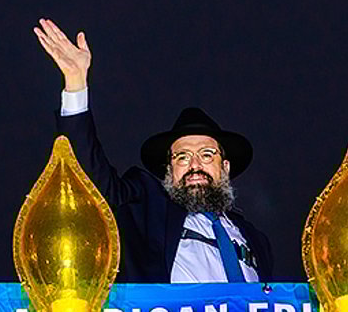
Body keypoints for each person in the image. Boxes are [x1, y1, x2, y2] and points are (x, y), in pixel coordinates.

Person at [34, 18, 273, 283]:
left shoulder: (255, 239)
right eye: (182, 157)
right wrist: (76, 82)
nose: (194, 165)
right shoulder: (147, 209)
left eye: (206, 155)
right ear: (169, 169)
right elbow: (93, 181)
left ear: (225, 166)